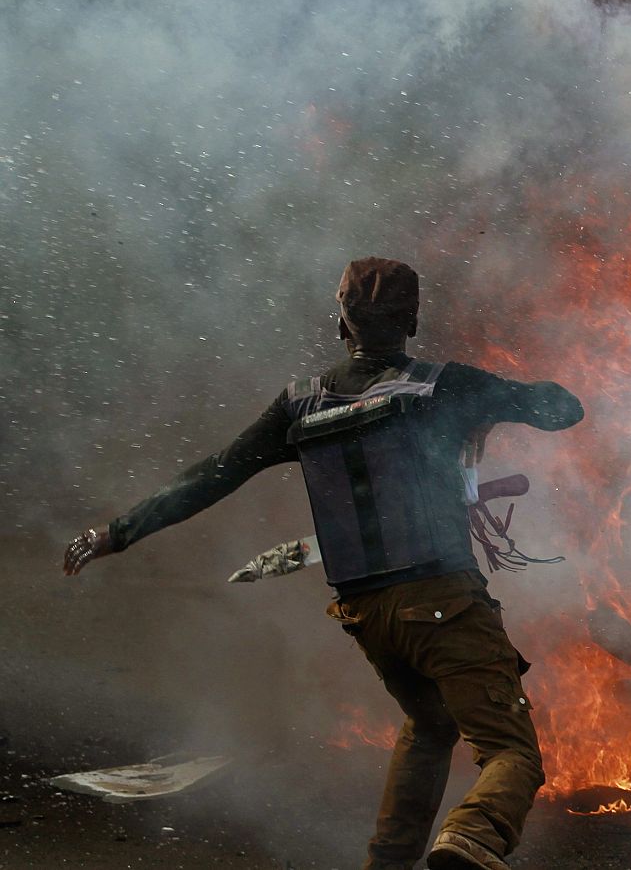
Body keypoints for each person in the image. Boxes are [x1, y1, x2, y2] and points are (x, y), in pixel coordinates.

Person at [62, 257, 584, 870]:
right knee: (512, 754)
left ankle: (388, 863)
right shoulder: (443, 387)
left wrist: (115, 532)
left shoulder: (299, 405)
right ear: (412, 319)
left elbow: (211, 476)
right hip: (442, 601)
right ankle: (472, 838)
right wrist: (494, 401)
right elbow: (563, 409)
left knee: (432, 723)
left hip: (368, 615)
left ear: (342, 323)